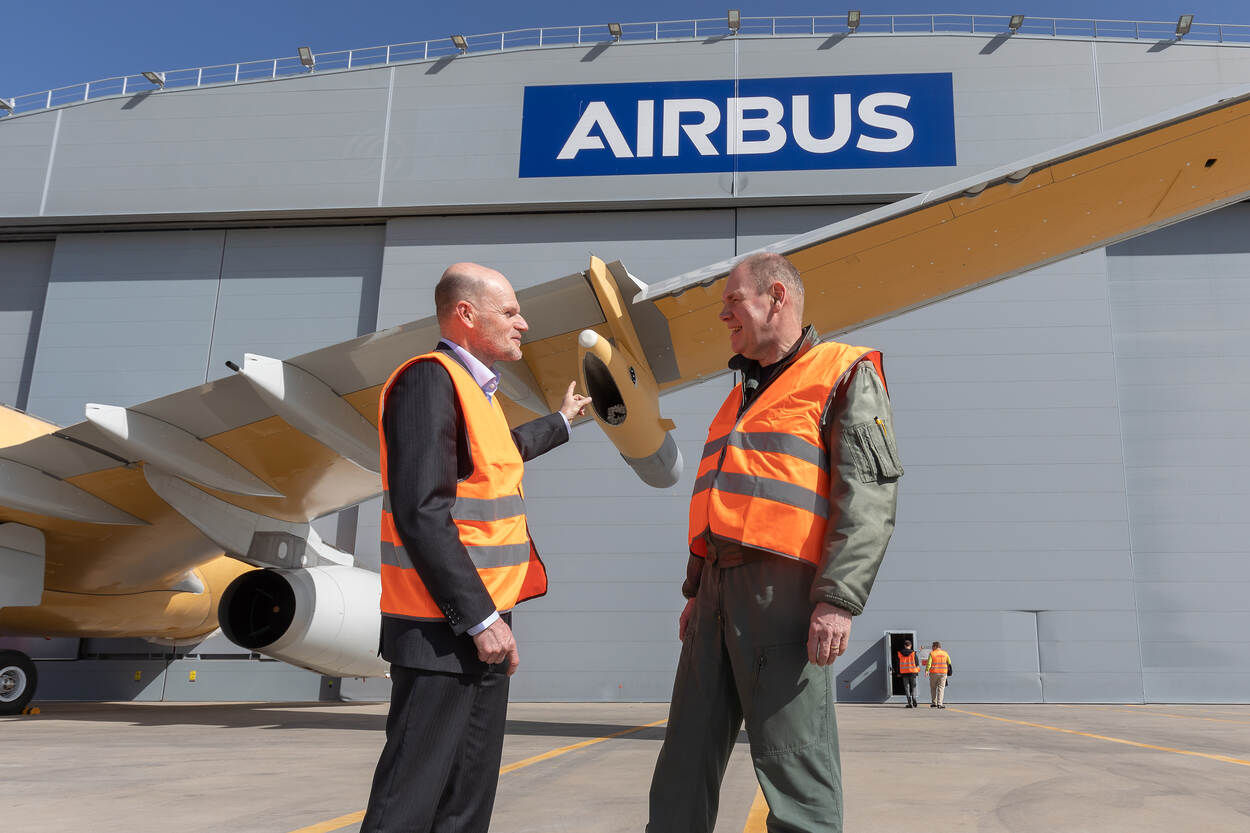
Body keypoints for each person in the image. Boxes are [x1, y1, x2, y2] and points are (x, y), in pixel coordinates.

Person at [646, 252, 902, 833]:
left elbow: (868, 497)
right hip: (714, 593)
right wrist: (696, 590)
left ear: (777, 297)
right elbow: (719, 502)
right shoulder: (738, 399)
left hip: (783, 596)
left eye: (734, 302)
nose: (724, 317)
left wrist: (837, 600)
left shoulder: (843, 373)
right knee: (682, 765)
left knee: (795, 770)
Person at [360, 262, 590, 833]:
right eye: (510, 312)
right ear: (465, 314)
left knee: (466, 802)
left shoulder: (477, 394)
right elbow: (421, 511)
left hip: (481, 626)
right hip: (442, 631)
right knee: (408, 803)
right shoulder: (427, 380)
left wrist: (561, 422)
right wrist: (481, 619)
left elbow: (501, 454)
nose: (523, 323)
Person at [894, 638, 921, 708]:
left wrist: (898, 673)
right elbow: (917, 663)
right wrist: (917, 671)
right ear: (910, 645)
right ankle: (914, 698)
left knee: (907, 687)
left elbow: (898, 664)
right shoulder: (913, 653)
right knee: (913, 686)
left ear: (904, 645)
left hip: (904, 673)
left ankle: (909, 703)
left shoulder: (900, 654)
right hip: (913, 672)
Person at [926, 641, 951, 709]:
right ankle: (940, 704)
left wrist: (927, 670)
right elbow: (949, 662)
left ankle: (934, 703)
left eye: (932, 646)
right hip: (943, 673)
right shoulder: (945, 653)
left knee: (933, 688)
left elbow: (929, 663)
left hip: (934, 672)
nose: (932, 648)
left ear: (935, 646)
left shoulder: (932, 653)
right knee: (941, 688)